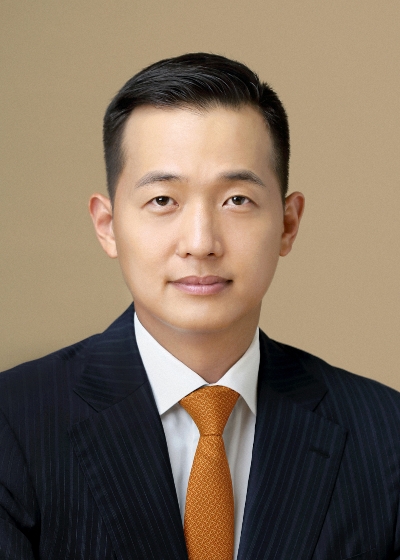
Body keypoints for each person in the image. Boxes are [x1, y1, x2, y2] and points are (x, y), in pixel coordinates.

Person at [0, 53, 399, 560]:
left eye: (237, 200)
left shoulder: (385, 434)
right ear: (108, 226)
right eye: (163, 200)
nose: (200, 243)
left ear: (288, 223)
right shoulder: (13, 425)